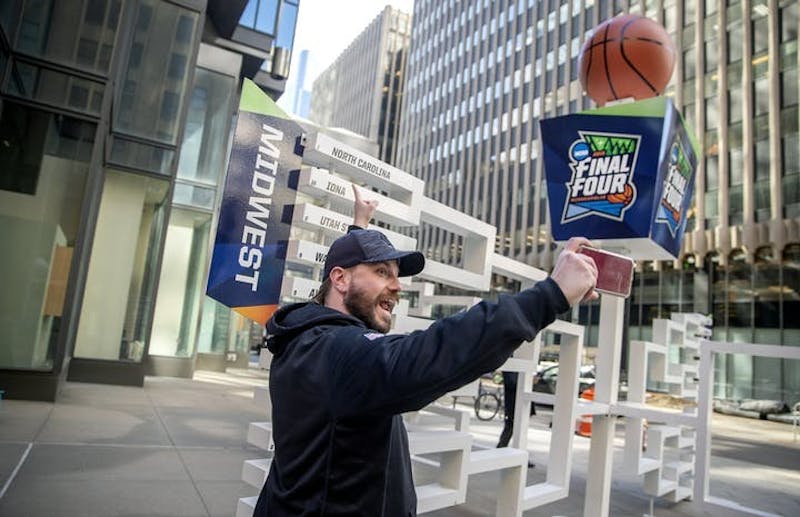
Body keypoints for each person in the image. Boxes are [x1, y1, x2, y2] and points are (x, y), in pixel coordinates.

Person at [254, 185, 599, 516]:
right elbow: (434, 350)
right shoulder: (337, 352)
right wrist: (550, 295)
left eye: (395, 274)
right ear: (341, 279)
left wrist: (358, 229)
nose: (397, 286)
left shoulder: (311, 338)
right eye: (381, 271)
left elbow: (340, 290)